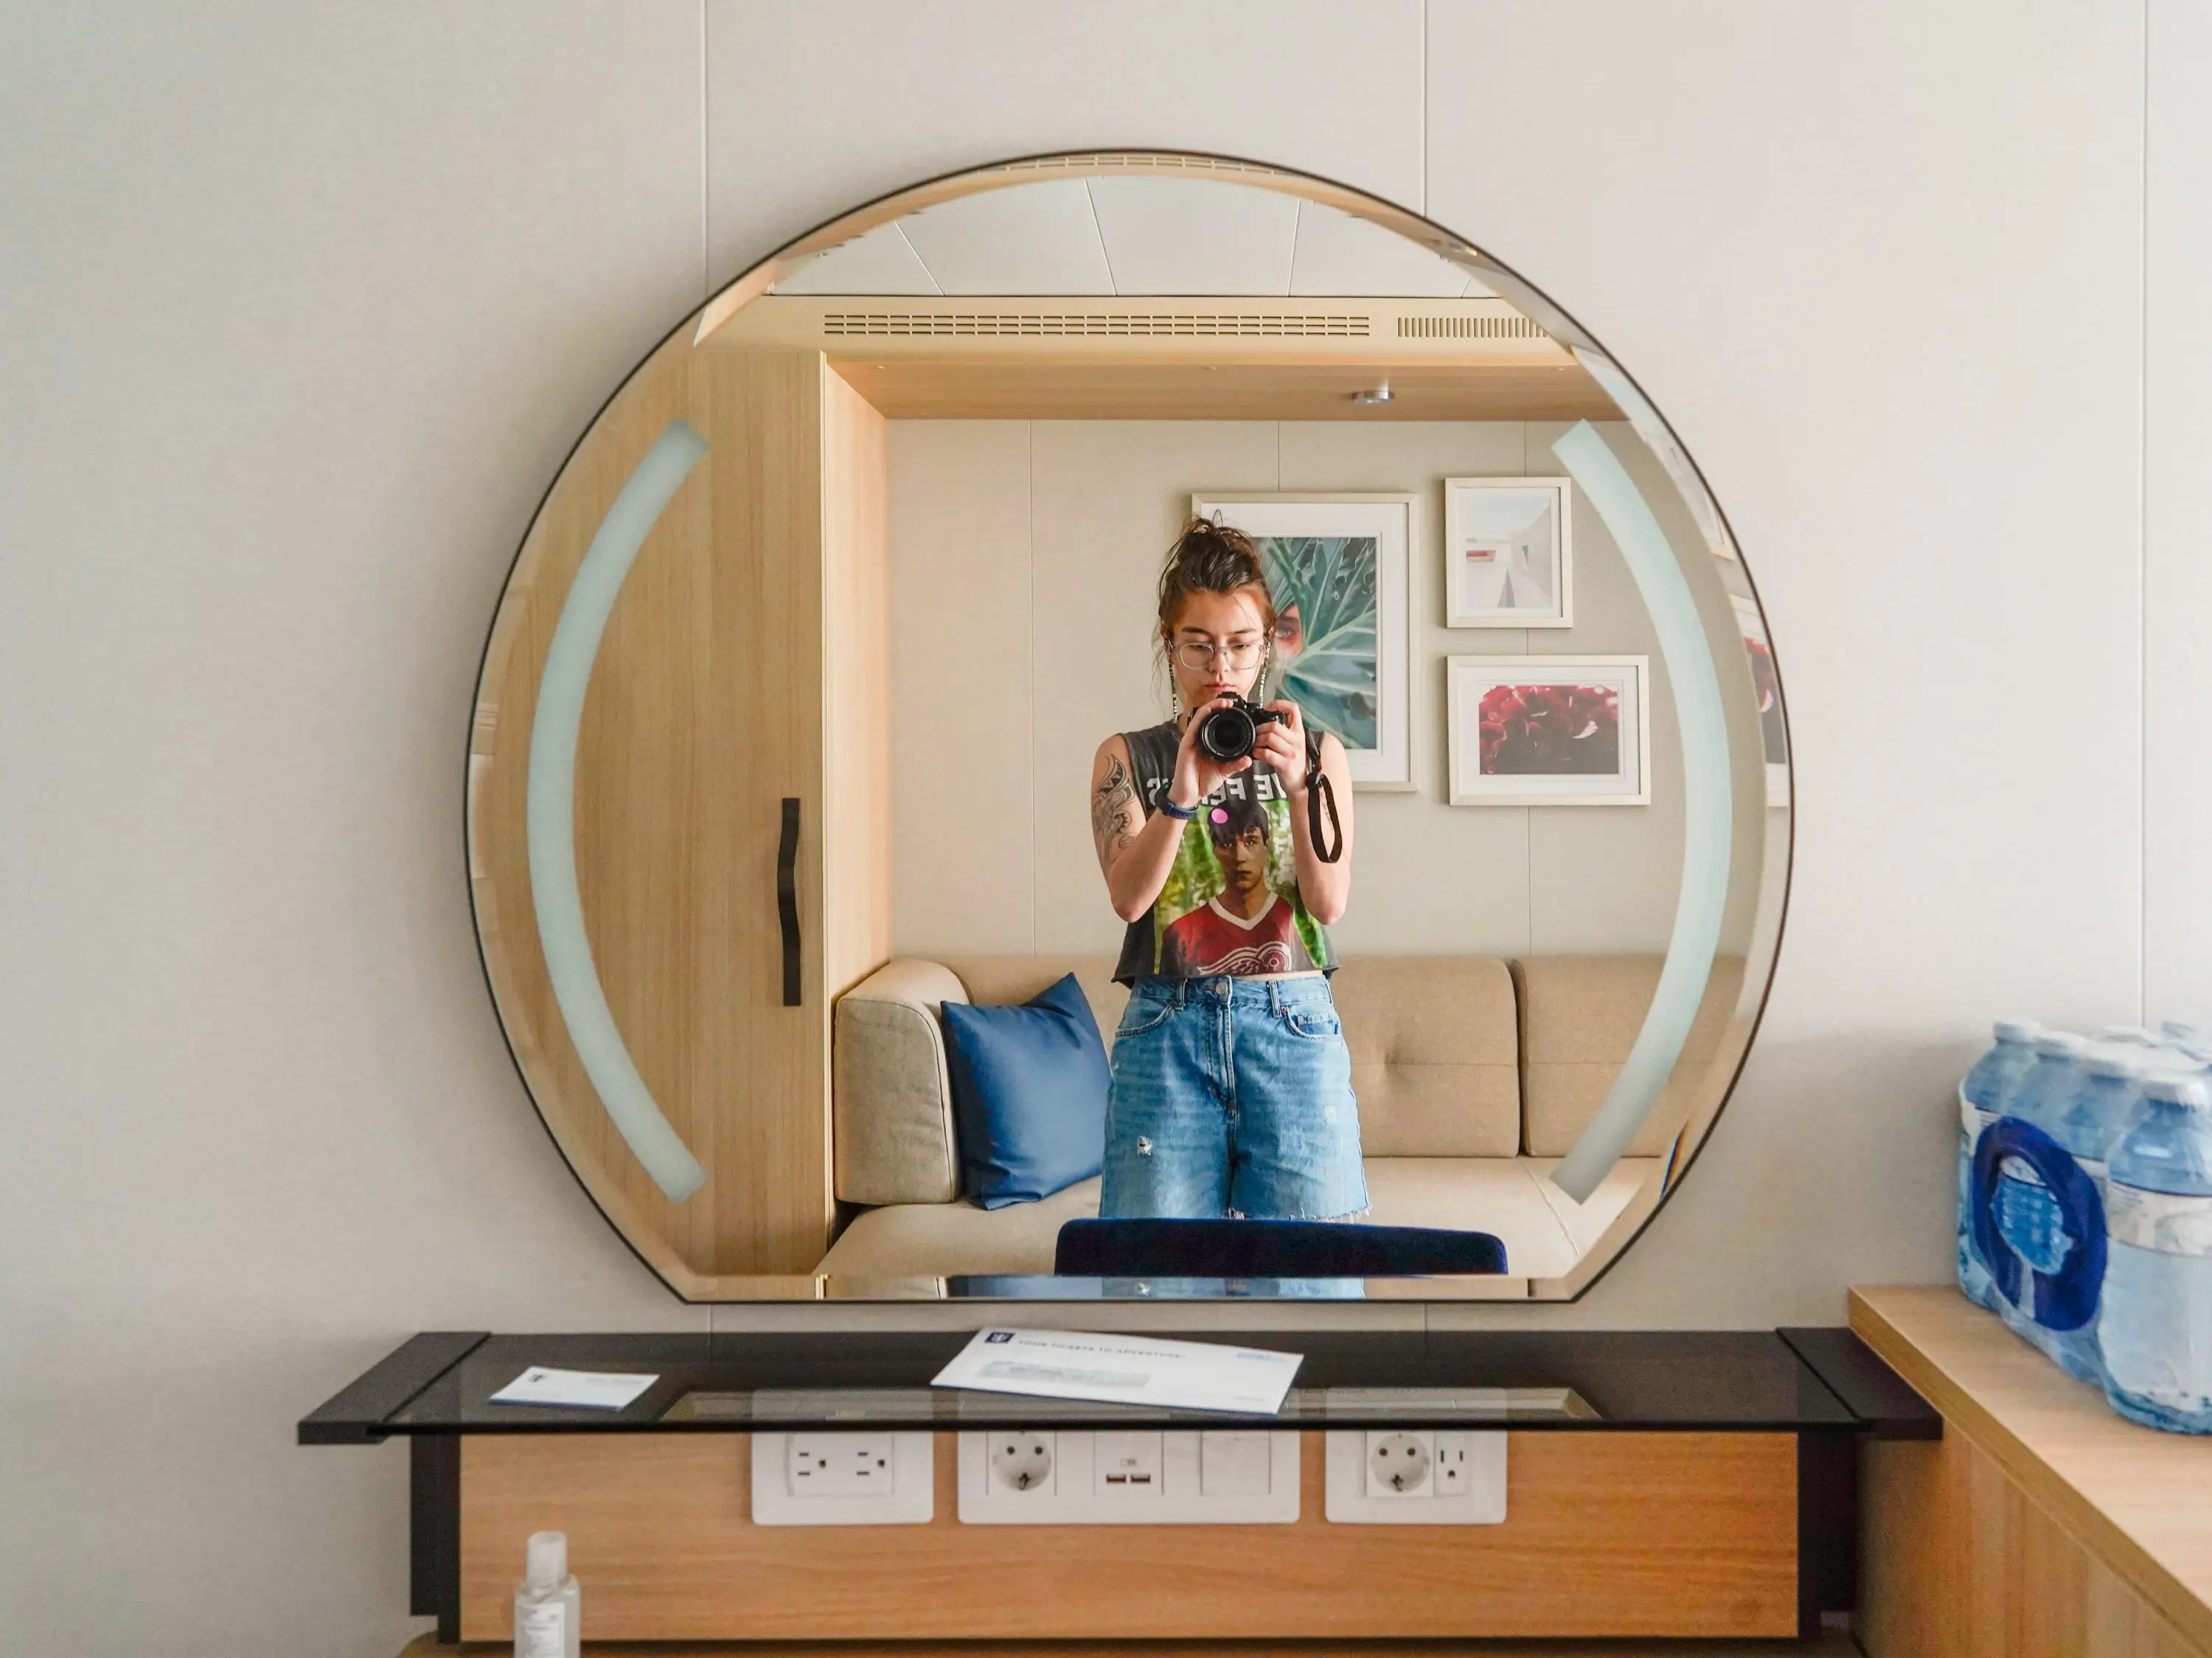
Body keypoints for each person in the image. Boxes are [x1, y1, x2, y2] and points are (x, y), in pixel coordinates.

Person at [1088, 518, 1364, 1221]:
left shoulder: (1318, 754)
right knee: (1156, 1271)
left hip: (1292, 1028)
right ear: (1169, 645)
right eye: (1199, 645)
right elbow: (1130, 900)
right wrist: (1185, 791)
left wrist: (1300, 789)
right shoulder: (1127, 756)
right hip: (1167, 1029)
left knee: (1307, 1270)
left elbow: (1328, 904)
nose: (1220, 668)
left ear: (1266, 646)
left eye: (1240, 645)